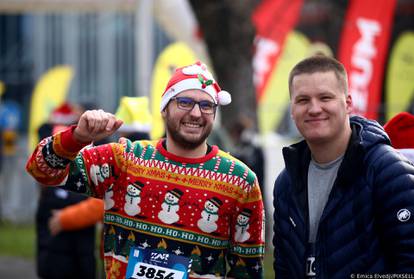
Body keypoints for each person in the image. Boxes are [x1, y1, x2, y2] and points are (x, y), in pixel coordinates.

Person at [27, 61, 265, 279]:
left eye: (206, 105)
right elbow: (41, 169)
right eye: (184, 102)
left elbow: (248, 270)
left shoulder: (240, 180)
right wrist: (76, 137)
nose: (195, 113)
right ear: (164, 109)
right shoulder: (124, 159)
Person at [273, 55, 414, 278]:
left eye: (325, 97)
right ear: (292, 109)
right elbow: (283, 266)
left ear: (348, 103)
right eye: (303, 100)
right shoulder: (286, 182)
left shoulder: (387, 172)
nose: (314, 108)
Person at [35, 102, 101, 279]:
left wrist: (66, 218)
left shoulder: (105, 152)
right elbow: (37, 166)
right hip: (64, 256)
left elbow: (100, 205)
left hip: (73, 253)